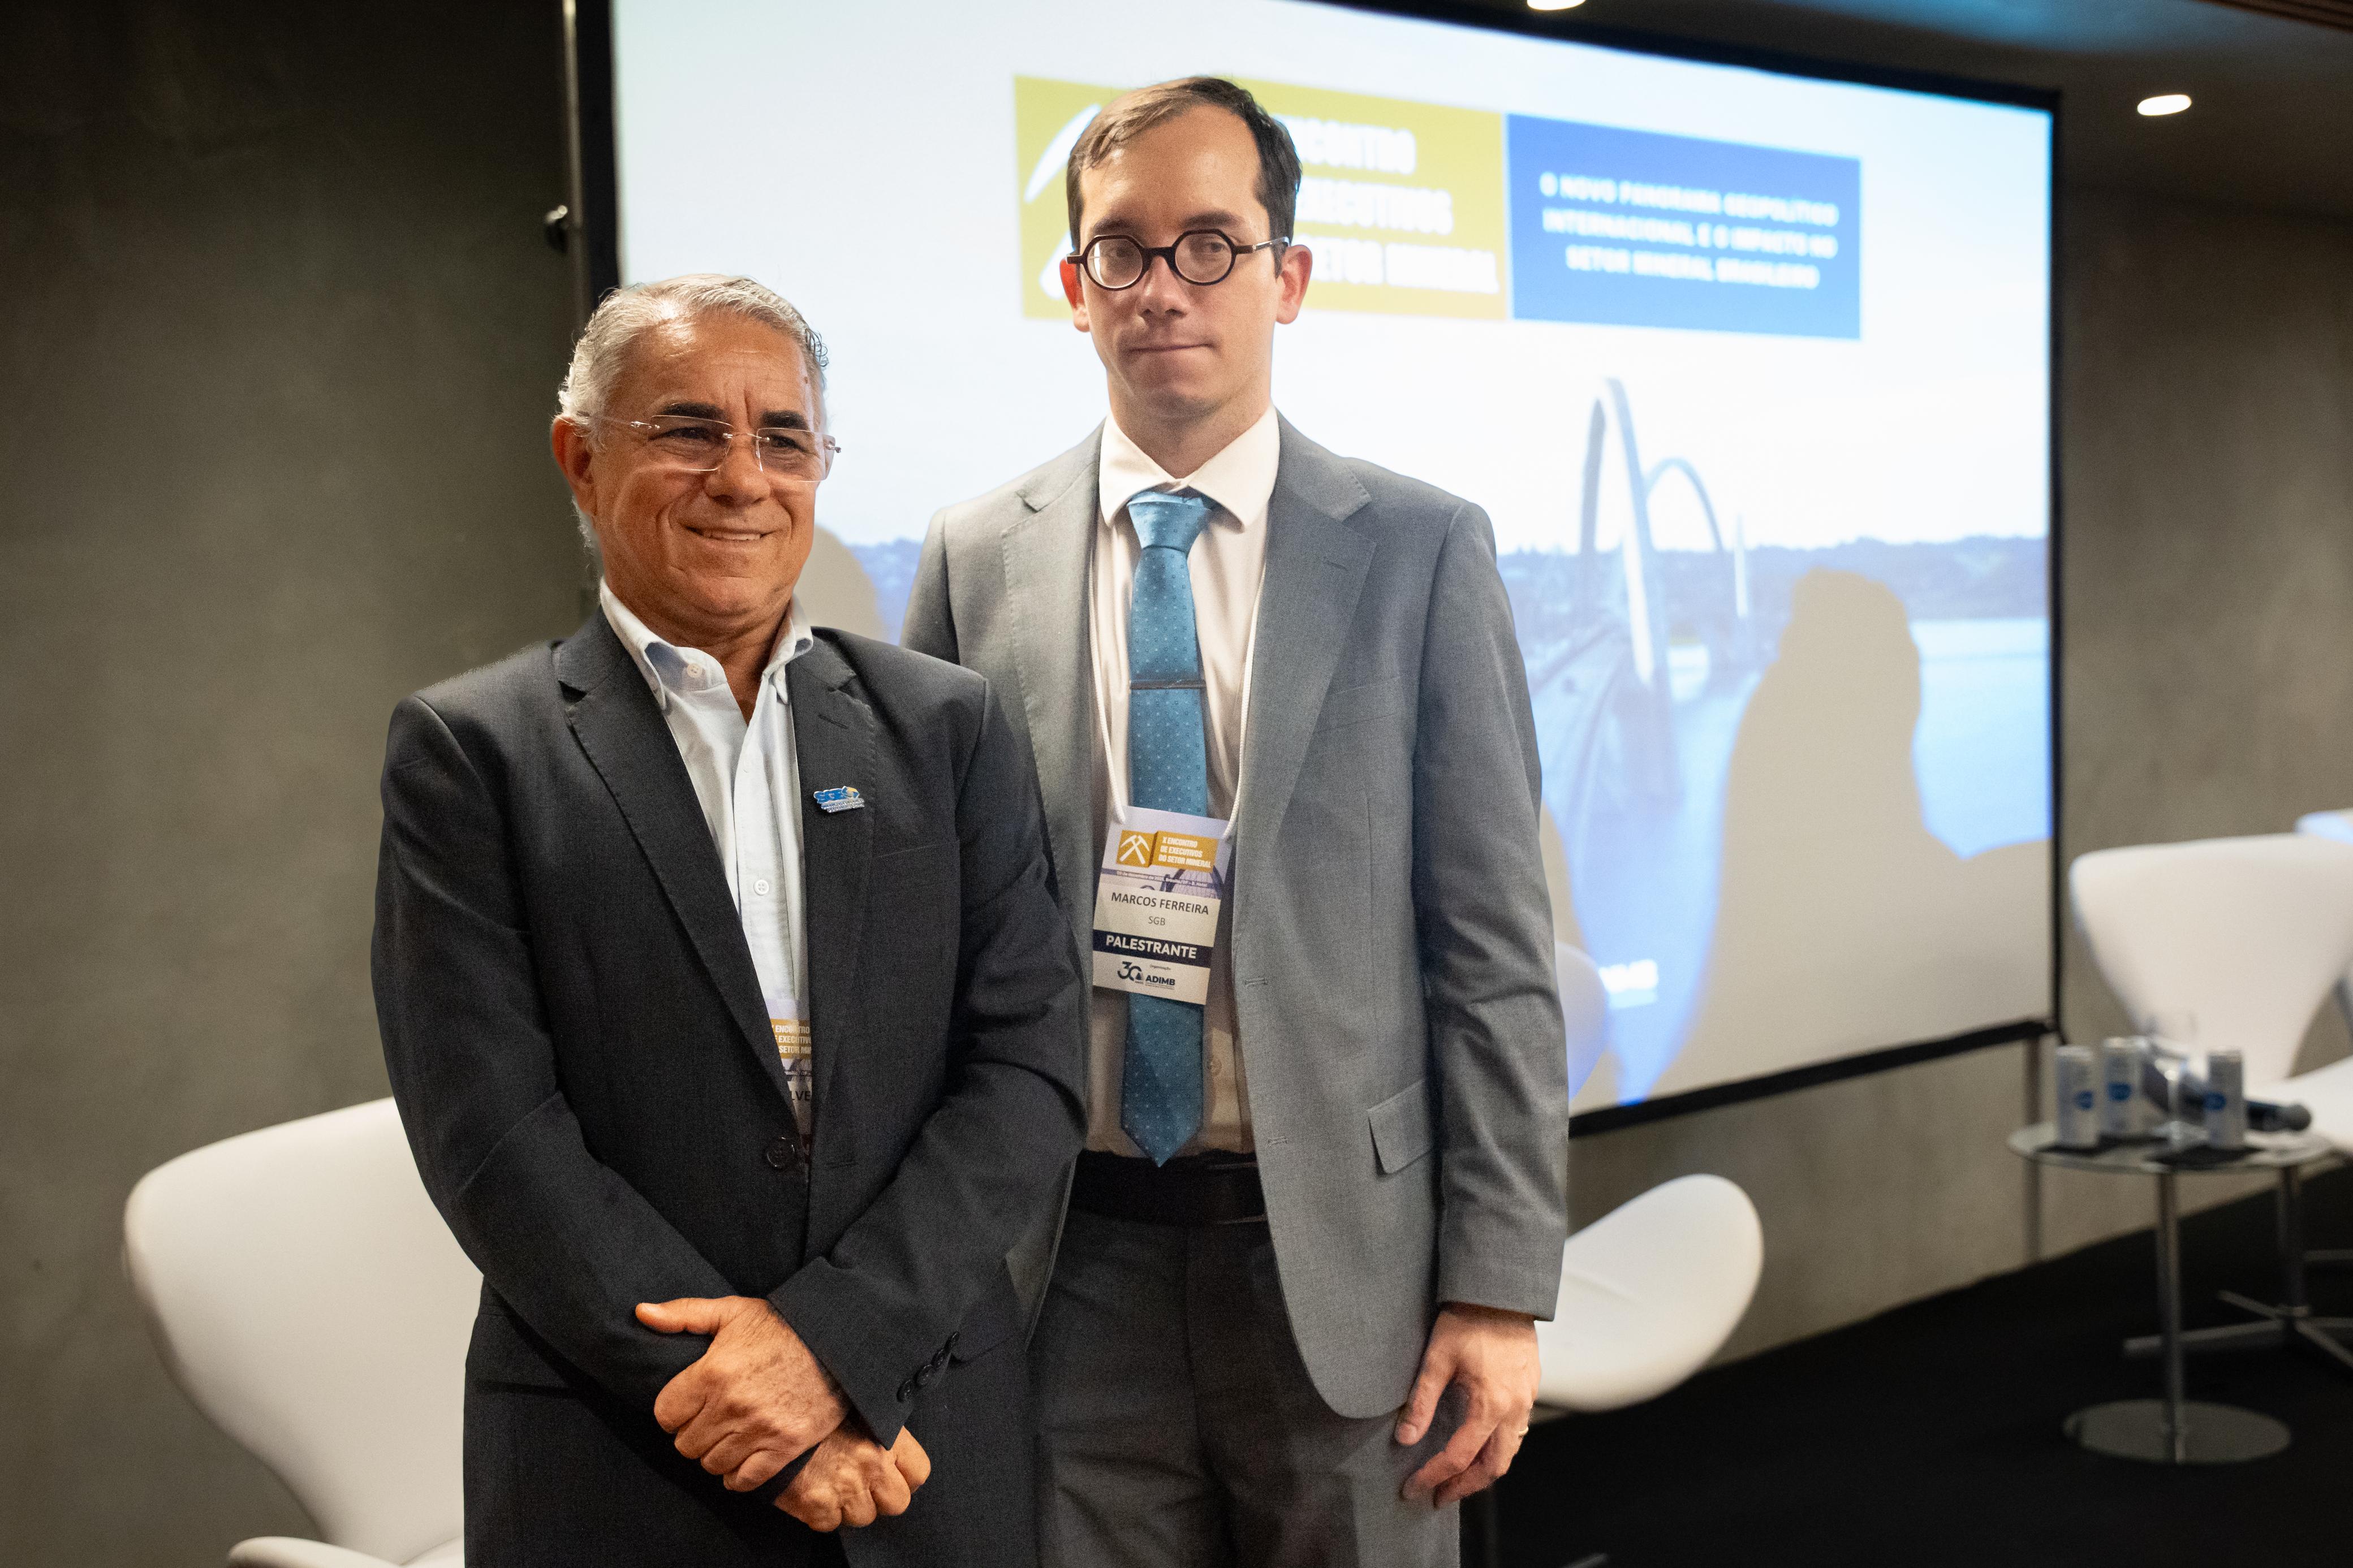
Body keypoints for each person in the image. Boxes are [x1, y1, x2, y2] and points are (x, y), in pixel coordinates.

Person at [903, 78, 1570, 1567]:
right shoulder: (973, 556)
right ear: (1074, 287)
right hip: (1065, 1262)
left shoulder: (1420, 550)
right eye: (1122, 249)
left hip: (1346, 1262)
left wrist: (1498, 1284)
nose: (1163, 286)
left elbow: (1493, 949)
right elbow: (933, 940)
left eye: (1210, 243)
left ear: (1289, 276)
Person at [373, 274, 1086, 1566]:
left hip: (922, 1438)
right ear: (581, 460)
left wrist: (834, 1352)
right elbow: (492, 1134)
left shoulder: (946, 728)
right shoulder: (472, 753)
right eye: (690, 430)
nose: (743, 477)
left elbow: (1029, 1073)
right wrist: (753, 1402)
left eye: (783, 438)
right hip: (624, 1453)